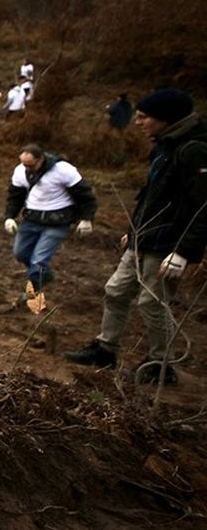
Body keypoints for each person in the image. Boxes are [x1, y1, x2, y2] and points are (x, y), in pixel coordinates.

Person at [64, 90, 207, 384]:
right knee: (115, 290)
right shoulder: (165, 146)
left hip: (168, 245)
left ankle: (160, 364)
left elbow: (203, 206)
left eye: (144, 117)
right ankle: (105, 349)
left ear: (166, 118)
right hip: (145, 237)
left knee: (152, 303)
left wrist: (183, 251)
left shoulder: (193, 150)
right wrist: (133, 231)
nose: (137, 122)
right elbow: (151, 196)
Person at [3, 144, 97, 293]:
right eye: (24, 164)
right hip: (32, 219)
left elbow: (85, 196)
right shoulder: (20, 171)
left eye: (31, 165)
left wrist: (86, 219)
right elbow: (15, 196)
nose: (27, 169)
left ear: (41, 159)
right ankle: (44, 276)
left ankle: (32, 292)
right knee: (20, 253)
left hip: (57, 221)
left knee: (39, 260)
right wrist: (9, 217)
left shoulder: (63, 170)